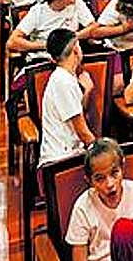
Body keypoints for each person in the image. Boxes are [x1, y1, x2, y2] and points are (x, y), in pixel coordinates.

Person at [65, 138, 133, 261]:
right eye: (100, 179)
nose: (110, 184)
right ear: (89, 181)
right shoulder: (82, 207)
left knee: (124, 229)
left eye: (114, 173)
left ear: (122, 167)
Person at [6, 0, 100, 61]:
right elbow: (12, 42)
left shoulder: (76, 2)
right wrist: (49, 45)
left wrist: (71, 38)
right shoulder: (38, 12)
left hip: (72, 56)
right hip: (44, 58)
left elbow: (93, 26)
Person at [38, 28, 96, 168]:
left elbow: (76, 113)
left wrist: (87, 91)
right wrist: (102, 150)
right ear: (76, 50)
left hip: (72, 152)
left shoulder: (67, 77)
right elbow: (83, 132)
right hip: (60, 161)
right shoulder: (63, 82)